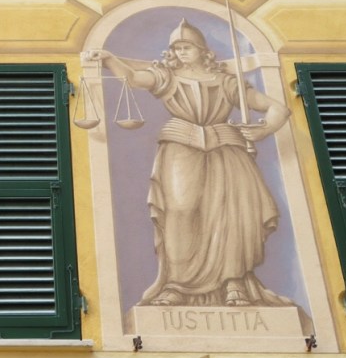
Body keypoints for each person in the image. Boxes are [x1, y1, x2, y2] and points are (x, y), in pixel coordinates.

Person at [95, 19, 292, 307]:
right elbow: (134, 78)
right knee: (179, 210)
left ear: (202, 50)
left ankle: (233, 282)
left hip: (226, 148)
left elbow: (278, 108)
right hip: (180, 144)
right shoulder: (166, 77)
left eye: (187, 46)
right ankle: (177, 284)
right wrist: (110, 59)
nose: (181, 52)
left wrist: (264, 130)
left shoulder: (226, 82)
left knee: (230, 213)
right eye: (177, 48)